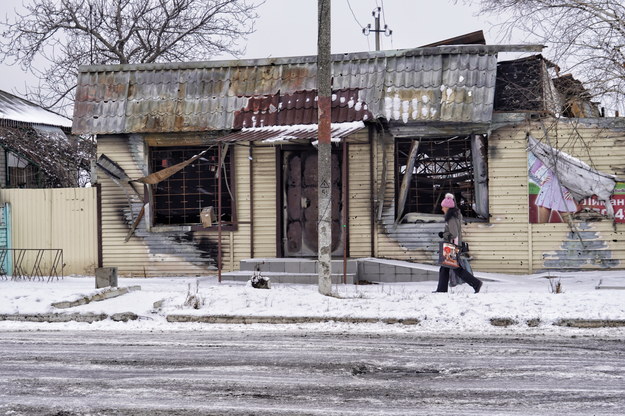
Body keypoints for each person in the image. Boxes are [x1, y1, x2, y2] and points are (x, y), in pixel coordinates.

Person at [434, 193, 483, 293]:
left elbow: (454, 233)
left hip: (451, 246)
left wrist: (443, 235)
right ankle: (441, 289)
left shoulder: (451, 218)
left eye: (443, 207)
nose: (442, 209)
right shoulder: (454, 216)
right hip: (452, 245)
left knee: (456, 269)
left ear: (447, 207)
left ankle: (476, 283)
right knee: (445, 268)